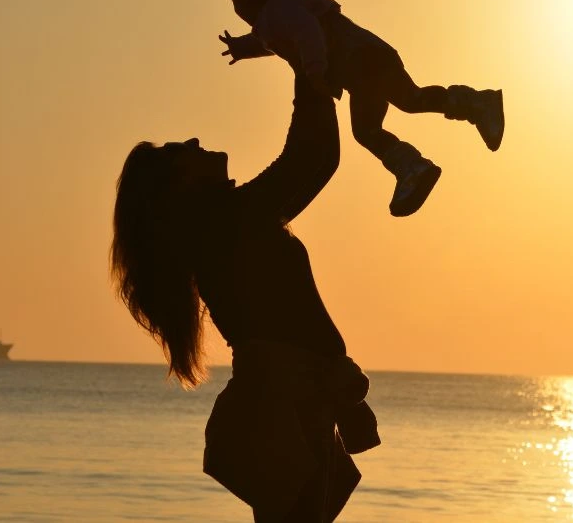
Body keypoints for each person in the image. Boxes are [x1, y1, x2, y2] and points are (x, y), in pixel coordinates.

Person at [110, 76, 379, 522]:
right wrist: (305, 60)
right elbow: (309, 158)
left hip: (296, 400)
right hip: (283, 403)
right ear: (177, 188)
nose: (195, 140)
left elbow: (319, 161)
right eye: (180, 151)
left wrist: (312, 68)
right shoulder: (226, 221)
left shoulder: (232, 220)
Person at [218, 0, 505, 217]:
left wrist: (315, 70)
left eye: (233, 0)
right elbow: (269, 40)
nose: (235, 8)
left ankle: (415, 165)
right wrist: (241, 48)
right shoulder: (284, 8)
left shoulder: (278, 11)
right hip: (368, 59)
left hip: (359, 63)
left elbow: (306, 32)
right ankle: (471, 108)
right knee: (408, 101)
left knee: (372, 126)